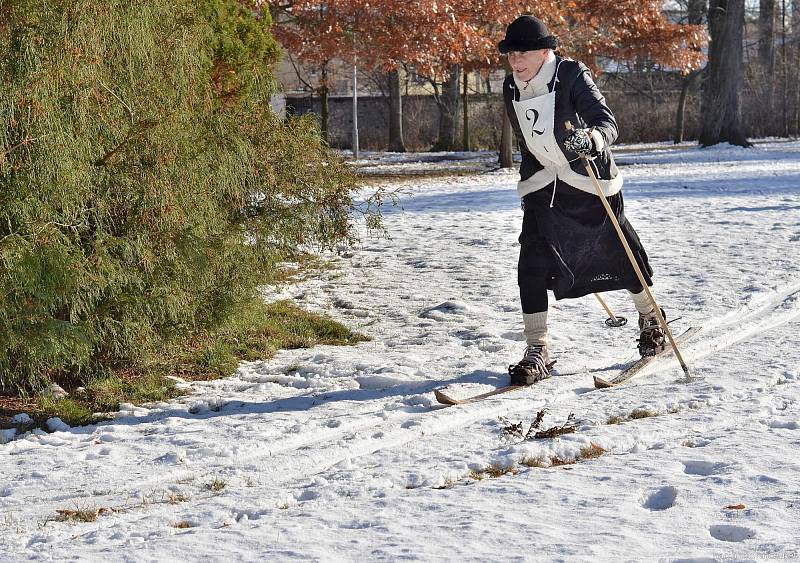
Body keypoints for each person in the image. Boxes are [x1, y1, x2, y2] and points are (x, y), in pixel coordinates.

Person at [498, 15, 667, 385]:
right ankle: (537, 348)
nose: (515, 61)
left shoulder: (572, 75)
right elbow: (528, 143)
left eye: (522, 53)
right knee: (531, 260)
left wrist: (592, 139)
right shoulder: (511, 88)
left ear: (546, 51)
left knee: (621, 255)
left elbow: (607, 122)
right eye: (511, 54)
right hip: (544, 184)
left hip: (589, 181)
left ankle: (651, 316)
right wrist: (528, 187)